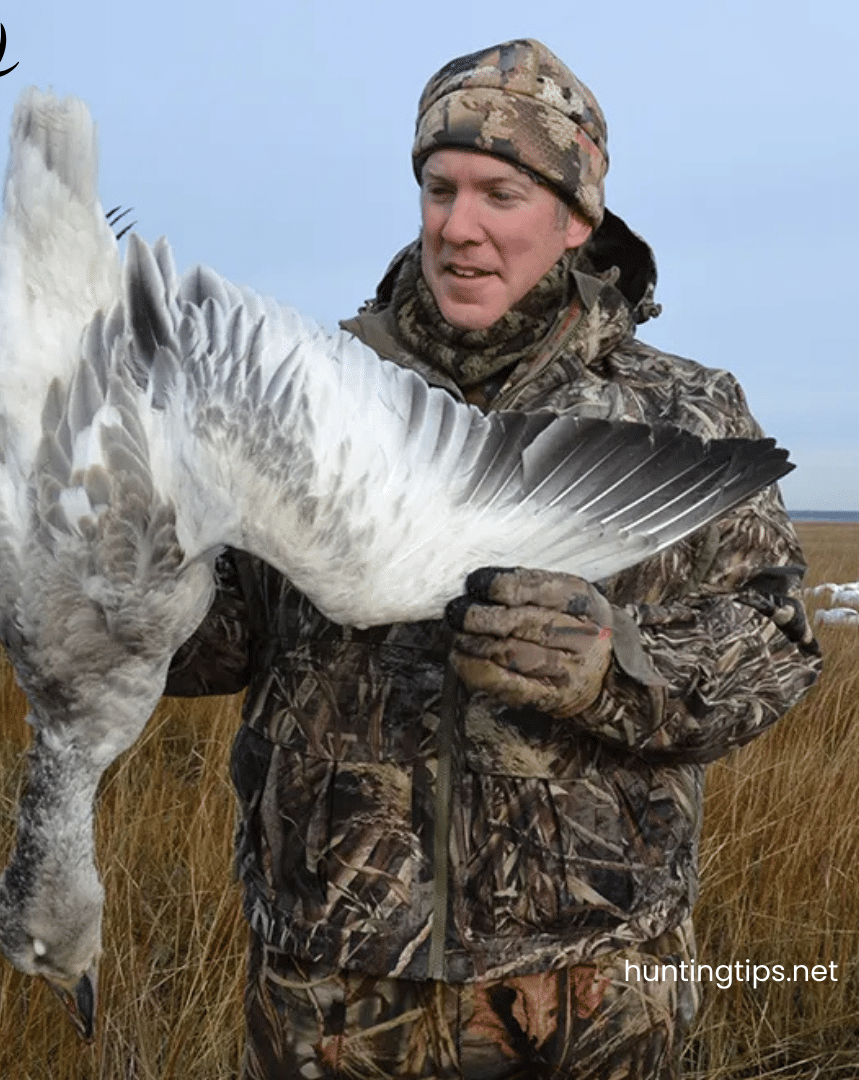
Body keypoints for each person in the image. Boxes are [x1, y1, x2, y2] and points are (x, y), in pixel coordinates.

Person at [165, 38, 821, 1079]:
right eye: (438, 187)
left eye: (500, 193)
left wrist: (620, 667)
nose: (457, 226)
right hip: (335, 988)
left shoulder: (683, 412)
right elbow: (212, 645)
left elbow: (778, 644)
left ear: (576, 218)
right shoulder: (300, 393)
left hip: (598, 989)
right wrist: (105, 566)